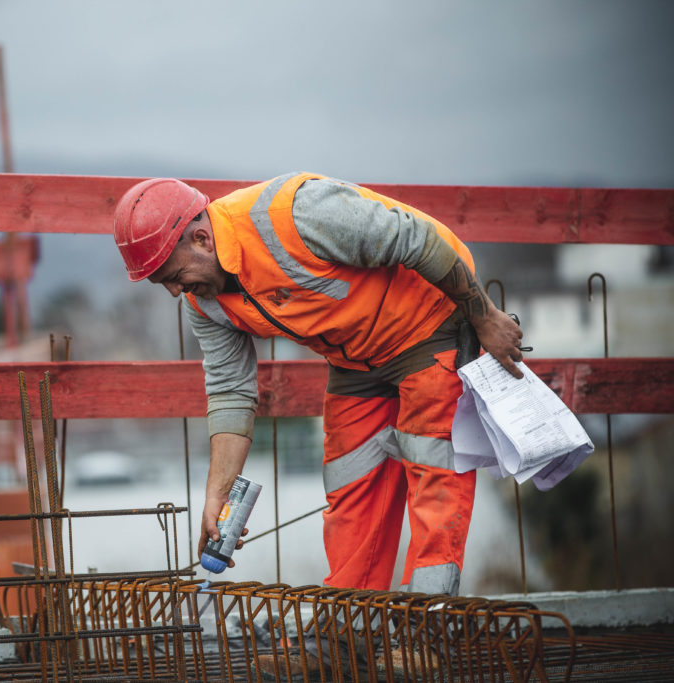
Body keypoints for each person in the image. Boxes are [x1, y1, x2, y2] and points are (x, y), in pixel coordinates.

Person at [112, 172, 525, 599]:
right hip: (356, 358)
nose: (178, 292)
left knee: (433, 474)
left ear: (200, 238)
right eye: (165, 285)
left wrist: (485, 318)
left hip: (428, 324)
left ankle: (428, 631)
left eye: (174, 276)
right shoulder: (205, 303)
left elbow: (417, 238)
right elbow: (231, 392)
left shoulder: (295, 215)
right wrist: (216, 497)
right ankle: (348, 634)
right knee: (351, 488)